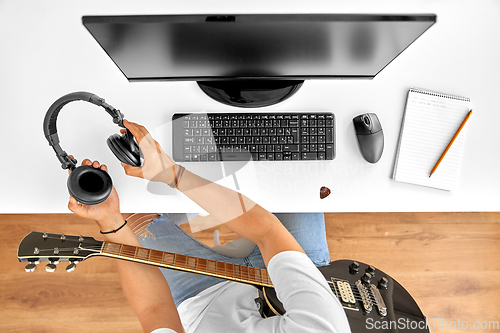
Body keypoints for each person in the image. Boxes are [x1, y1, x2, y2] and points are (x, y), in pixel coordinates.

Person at [67, 119, 351, 333]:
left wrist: (111, 221)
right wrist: (170, 172)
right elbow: (267, 231)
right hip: (297, 284)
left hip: (202, 297)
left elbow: (155, 308)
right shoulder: (322, 329)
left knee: (137, 218)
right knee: (299, 164)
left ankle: (181, 203)